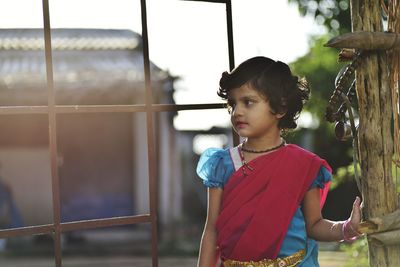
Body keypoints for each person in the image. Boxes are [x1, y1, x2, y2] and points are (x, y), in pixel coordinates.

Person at [196, 56, 362, 267]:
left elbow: (314, 225)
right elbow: (211, 229)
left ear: (281, 108)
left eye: (248, 102)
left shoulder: (303, 165)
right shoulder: (221, 164)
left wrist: (347, 228)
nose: (237, 111)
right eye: (232, 103)